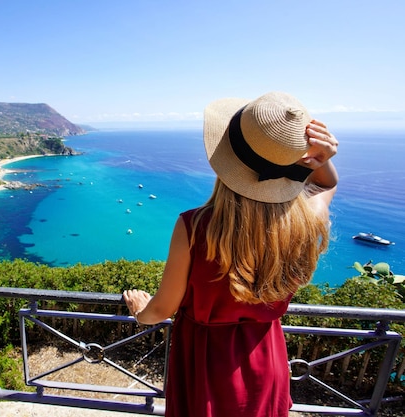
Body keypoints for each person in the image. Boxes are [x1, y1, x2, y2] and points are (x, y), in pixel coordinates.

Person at [123, 91, 338, 417]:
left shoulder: (194, 227)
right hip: (265, 357)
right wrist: (322, 158)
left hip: (204, 364)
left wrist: (141, 312)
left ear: (226, 161)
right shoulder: (307, 222)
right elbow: (325, 186)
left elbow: (163, 309)